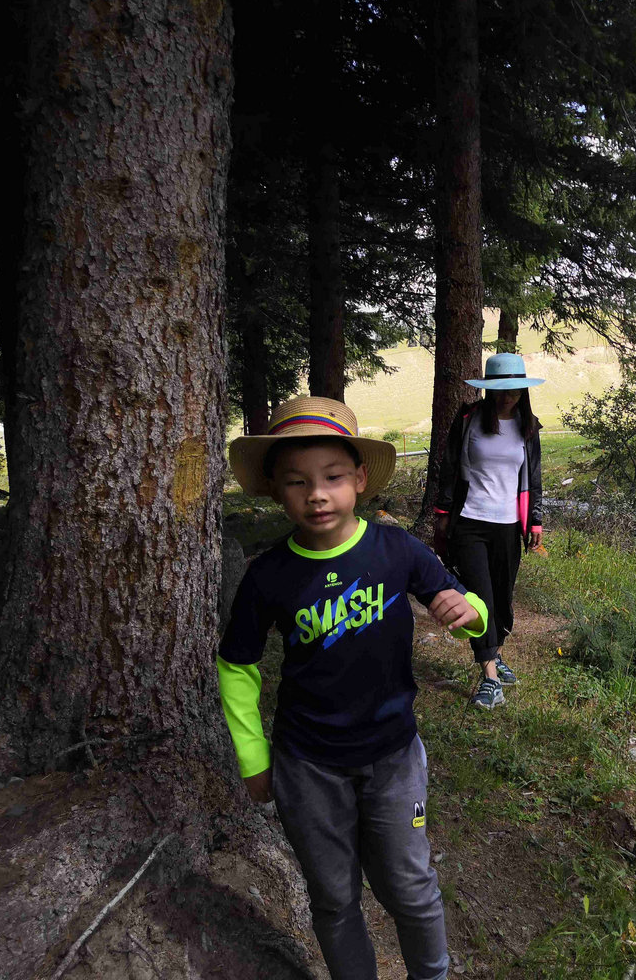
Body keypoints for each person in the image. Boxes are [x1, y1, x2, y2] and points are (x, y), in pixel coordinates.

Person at [217, 395, 488, 980]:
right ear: (274, 489)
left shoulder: (397, 551)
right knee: (335, 898)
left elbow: (467, 602)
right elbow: (237, 667)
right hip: (307, 765)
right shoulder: (268, 575)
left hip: (393, 755)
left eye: (333, 478)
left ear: (360, 480)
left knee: (410, 889)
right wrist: (251, 756)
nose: (316, 494)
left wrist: (468, 610)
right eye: (297, 482)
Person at [433, 352, 544, 710]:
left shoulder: (529, 427)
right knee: (479, 599)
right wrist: (443, 513)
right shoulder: (469, 420)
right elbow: (449, 467)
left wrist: (535, 519)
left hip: (509, 527)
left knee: (502, 599)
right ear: (488, 389)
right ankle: (490, 677)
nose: (506, 396)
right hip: (470, 522)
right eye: (499, 389)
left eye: (513, 390)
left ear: (523, 391)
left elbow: (534, 479)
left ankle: (495, 653)